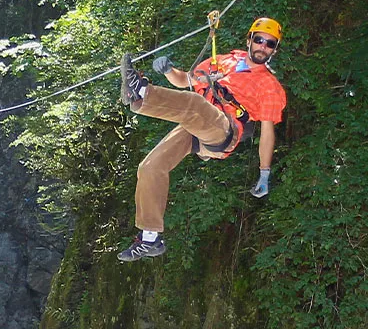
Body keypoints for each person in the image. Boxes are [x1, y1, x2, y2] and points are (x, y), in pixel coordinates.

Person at [115, 17, 288, 262]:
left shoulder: (270, 86)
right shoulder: (225, 61)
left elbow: (267, 132)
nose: (263, 47)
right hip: (198, 120)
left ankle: (141, 91)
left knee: (195, 105)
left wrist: (264, 172)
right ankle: (150, 238)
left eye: (270, 44)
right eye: (259, 40)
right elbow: (184, 81)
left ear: (274, 50)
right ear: (249, 40)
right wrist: (168, 70)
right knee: (150, 167)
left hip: (225, 129)